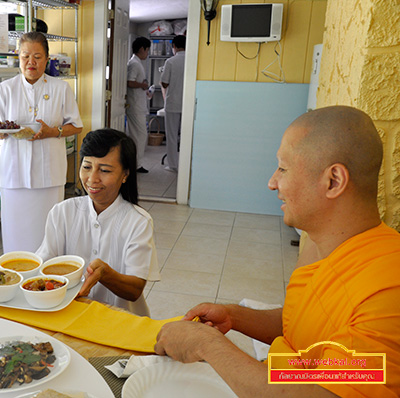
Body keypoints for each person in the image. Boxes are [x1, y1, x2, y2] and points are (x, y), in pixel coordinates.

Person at [154, 106, 400, 397]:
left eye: (283, 168)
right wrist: (235, 317)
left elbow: (326, 393)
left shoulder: (387, 290)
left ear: (333, 181)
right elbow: (302, 328)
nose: (273, 183)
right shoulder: (320, 246)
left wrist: (207, 345)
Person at [36, 128, 161, 316]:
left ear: (125, 174)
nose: (92, 179)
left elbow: (134, 290)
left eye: (104, 170)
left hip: (121, 320)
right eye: (87, 167)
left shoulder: (138, 221)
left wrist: (105, 274)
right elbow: (43, 264)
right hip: (70, 314)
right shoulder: (62, 212)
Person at [0, 31, 83, 253]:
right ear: (18, 57)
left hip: (48, 174)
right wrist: (2, 132)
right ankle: (15, 277)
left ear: (47, 58)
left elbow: (76, 126)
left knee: (48, 234)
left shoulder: (61, 88)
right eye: (25, 56)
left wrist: (54, 131)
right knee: (15, 234)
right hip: (14, 173)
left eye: (37, 56)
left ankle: (47, 281)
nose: (30, 62)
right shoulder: (6, 89)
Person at [126, 36, 151, 174]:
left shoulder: (136, 62)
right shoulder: (134, 63)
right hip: (135, 106)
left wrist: (144, 88)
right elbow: (130, 82)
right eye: (147, 50)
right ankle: (135, 165)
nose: (147, 54)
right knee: (139, 136)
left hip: (138, 104)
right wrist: (143, 85)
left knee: (139, 135)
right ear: (142, 49)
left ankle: (136, 163)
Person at [160, 35, 185, 172]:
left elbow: (164, 83)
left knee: (171, 135)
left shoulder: (170, 61)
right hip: (188, 105)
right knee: (187, 135)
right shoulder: (193, 59)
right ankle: (186, 164)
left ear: (174, 46)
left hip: (172, 103)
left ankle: (173, 165)